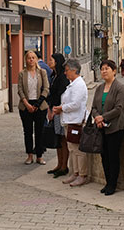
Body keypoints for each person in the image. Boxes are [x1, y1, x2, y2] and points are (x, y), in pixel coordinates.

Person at [91, 60, 124, 196]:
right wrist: (97, 117)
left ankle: (113, 184)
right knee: (104, 157)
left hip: (115, 128)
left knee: (113, 157)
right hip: (101, 128)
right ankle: (107, 182)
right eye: (102, 69)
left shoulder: (120, 87)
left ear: (114, 71)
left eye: (107, 69)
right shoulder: (99, 88)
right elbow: (94, 107)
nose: (104, 71)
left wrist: (103, 117)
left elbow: (119, 108)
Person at [53, 59, 89, 187]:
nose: (65, 72)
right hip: (69, 120)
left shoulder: (79, 85)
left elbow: (75, 104)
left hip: (76, 121)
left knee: (78, 149)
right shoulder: (72, 84)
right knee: (72, 148)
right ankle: (75, 172)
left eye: (67, 70)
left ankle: (82, 174)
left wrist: (61, 108)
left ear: (74, 70)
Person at [17, 51, 50, 165]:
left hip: (40, 106)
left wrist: (37, 104)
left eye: (33, 58)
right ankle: (29, 155)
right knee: (28, 131)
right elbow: (20, 90)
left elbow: (46, 88)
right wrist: (26, 104)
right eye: (29, 58)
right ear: (25, 60)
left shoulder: (42, 72)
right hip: (25, 106)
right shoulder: (22, 73)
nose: (31, 60)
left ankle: (39, 156)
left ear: (36, 59)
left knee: (39, 131)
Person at [46, 53, 70, 178]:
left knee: (62, 139)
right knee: (57, 139)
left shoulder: (62, 78)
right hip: (54, 110)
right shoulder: (54, 75)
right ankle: (59, 164)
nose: (49, 61)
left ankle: (64, 166)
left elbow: (61, 96)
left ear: (57, 62)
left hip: (60, 111)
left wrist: (55, 110)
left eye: (51, 60)